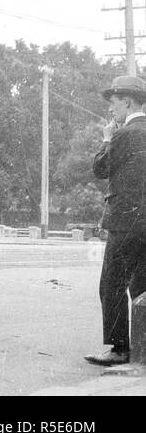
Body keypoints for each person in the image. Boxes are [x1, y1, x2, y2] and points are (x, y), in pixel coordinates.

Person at [85, 75, 146, 366]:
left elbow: (100, 169)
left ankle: (120, 348)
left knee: (111, 284)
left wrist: (107, 139)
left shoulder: (124, 134)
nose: (111, 109)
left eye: (113, 102)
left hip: (125, 223)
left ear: (128, 101)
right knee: (142, 286)